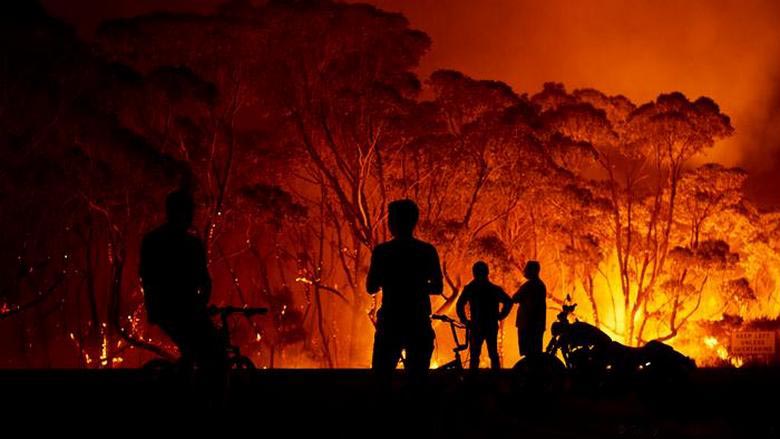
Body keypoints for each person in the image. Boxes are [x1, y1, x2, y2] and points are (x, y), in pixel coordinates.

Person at [139, 189, 225, 372]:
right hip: (184, 310)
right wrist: (200, 305)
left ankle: (184, 381)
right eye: (189, 211)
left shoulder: (152, 240)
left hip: (166, 309)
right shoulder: (191, 245)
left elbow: (146, 277)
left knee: (192, 351)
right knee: (211, 350)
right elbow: (205, 281)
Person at [366, 199, 443, 381]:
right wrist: (417, 286)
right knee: (417, 382)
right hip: (418, 323)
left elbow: (371, 288)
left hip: (390, 323)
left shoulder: (382, 252)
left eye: (391, 219)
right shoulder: (427, 251)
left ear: (393, 222)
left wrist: (391, 282)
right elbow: (438, 287)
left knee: (381, 379)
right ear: (413, 222)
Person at [456, 261, 512, 369]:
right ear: (487, 272)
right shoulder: (493, 289)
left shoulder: (471, 288)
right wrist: (501, 315)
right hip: (490, 325)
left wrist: (465, 320)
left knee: (475, 355)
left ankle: (473, 380)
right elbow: (508, 301)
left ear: (474, 273)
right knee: (493, 354)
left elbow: (459, 305)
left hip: (476, 325)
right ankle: (496, 379)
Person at [512, 260, 547, 357]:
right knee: (536, 352)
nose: (524, 271)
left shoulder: (528, 286)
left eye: (526, 269)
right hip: (537, 325)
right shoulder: (541, 285)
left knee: (529, 353)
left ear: (532, 270)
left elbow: (515, 298)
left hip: (526, 324)